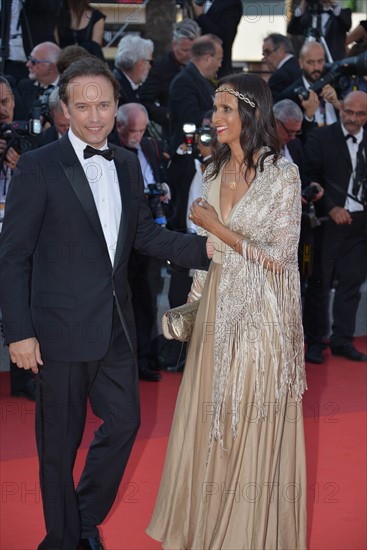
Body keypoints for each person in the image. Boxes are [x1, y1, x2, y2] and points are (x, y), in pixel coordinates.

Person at [0, 57, 211, 550]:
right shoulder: (38, 166)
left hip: (116, 327)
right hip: (58, 332)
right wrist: (20, 333)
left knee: (125, 424)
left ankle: (82, 518)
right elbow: (13, 258)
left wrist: (208, 248)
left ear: (118, 105)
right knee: (59, 444)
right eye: (82, 106)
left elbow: (140, 234)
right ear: (65, 110)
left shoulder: (124, 163)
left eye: (103, 104)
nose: (94, 116)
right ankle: (64, 538)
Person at [147, 73, 307, 549]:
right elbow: (209, 249)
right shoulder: (213, 170)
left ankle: (248, 536)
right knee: (213, 419)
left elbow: (281, 261)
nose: (213, 119)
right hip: (217, 309)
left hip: (265, 317)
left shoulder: (283, 175)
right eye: (214, 109)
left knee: (250, 418)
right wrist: (193, 306)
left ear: (250, 114)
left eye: (223, 110)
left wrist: (215, 224)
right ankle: (209, 530)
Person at [303, 90, 367, 363]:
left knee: (351, 284)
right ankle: (316, 341)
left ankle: (343, 339)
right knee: (319, 282)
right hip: (328, 223)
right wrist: (330, 206)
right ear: (341, 110)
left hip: (361, 224)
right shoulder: (321, 137)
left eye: (360, 114)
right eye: (348, 112)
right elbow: (310, 177)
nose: (353, 118)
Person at [116, 102, 170, 382]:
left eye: (141, 130)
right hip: (122, 236)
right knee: (124, 302)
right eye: (131, 130)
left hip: (150, 232)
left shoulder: (151, 146)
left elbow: (159, 176)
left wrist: (162, 191)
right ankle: (126, 362)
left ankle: (146, 358)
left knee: (147, 298)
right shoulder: (110, 149)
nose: (136, 136)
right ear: (119, 126)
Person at [0, 74, 37, 400]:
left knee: (21, 304)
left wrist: (21, 164)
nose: (2, 110)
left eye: (5, 101)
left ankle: (24, 380)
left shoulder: (30, 141)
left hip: (20, 241)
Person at [139, 18, 201, 137]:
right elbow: (144, 101)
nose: (190, 55)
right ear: (174, 45)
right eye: (185, 50)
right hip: (173, 132)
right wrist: (169, 114)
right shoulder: (160, 68)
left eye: (194, 50)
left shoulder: (200, 64)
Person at [168, 33, 222, 152]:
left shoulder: (204, 80)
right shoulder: (184, 82)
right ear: (207, 58)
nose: (220, 64)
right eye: (219, 59)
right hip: (189, 155)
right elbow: (191, 118)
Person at [191, 0, 242, 78]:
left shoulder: (231, 3)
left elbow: (225, 35)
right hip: (194, 65)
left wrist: (201, 16)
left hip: (218, 70)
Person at [287, 0, 351, 62]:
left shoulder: (343, 13)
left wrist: (333, 4)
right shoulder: (308, 15)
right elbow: (292, 30)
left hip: (333, 60)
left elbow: (347, 25)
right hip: (311, 62)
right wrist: (301, 7)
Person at [15, 41, 60, 120]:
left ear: (51, 67)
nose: (28, 64)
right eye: (29, 59)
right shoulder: (23, 86)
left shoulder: (67, 89)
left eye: (34, 61)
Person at [113, 34, 154, 106]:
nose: (150, 66)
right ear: (141, 63)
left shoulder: (121, 81)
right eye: (150, 62)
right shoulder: (119, 91)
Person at [262, 33, 302, 104]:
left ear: (282, 49)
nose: (265, 59)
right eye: (264, 55)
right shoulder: (302, 65)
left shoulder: (278, 77)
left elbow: (271, 109)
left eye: (268, 53)